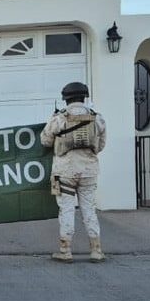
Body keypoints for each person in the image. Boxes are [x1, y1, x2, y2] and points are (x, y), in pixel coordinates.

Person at [40, 82, 107, 263]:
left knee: (67, 210)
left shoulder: (59, 119)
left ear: (66, 99)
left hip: (65, 172)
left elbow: (45, 141)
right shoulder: (97, 118)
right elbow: (100, 145)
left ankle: (65, 250)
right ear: (84, 97)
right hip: (89, 171)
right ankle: (96, 250)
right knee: (89, 209)